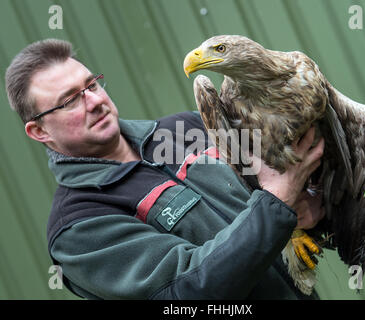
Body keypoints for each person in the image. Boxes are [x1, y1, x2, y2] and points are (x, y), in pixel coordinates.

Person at [5, 39, 325, 300]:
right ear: (39, 132)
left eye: (92, 85)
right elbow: (188, 291)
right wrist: (278, 199)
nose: (94, 101)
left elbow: (273, 196)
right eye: (70, 100)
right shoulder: (79, 226)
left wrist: (306, 206)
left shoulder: (184, 129)